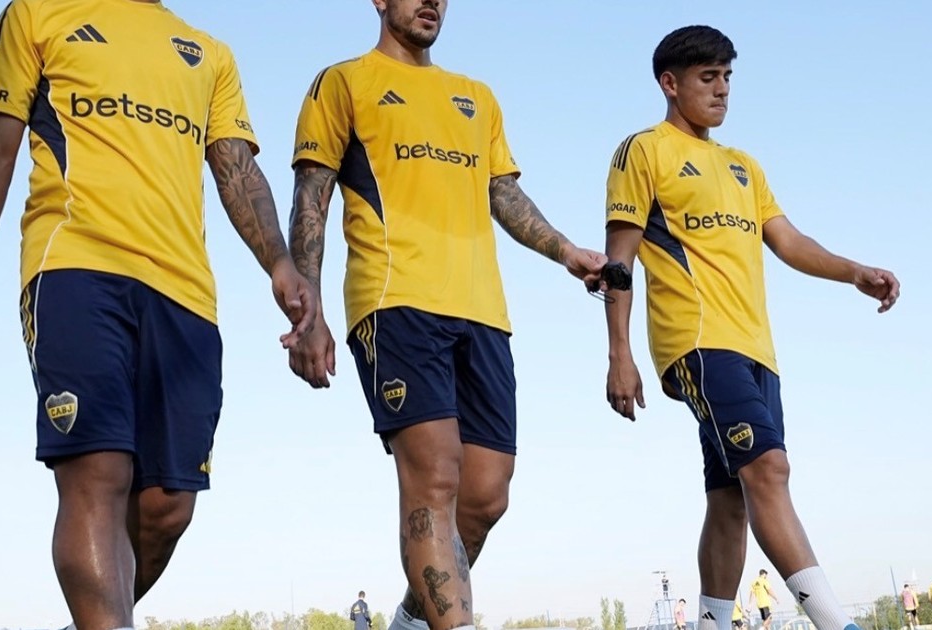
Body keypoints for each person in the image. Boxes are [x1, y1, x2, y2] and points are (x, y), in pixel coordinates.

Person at [0, 2, 314, 629]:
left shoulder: (209, 52)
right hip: (75, 267)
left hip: (185, 293)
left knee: (168, 506)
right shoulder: (38, 14)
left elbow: (237, 168)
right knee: (99, 472)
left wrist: (279, 262)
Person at [286, 1, 607, 629]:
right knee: (435, 478)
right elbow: (310, 197)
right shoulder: (344, 81)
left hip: (482, 309)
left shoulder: (476, 97)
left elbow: (502, 192)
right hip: (395, 300)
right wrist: (309, 309)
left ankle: (409, 622)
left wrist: (566, 250)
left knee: (486, 496)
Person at [599, 24, 899, 630]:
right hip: (696, 342)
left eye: (728, 77)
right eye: (708, 77)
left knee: (730, 496)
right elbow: (618, 261)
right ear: (670, 84)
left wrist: (853, 272)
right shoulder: (644, 151)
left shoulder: (743, 166)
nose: (722, 90)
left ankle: (711, 623)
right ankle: (837, 623)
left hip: (757, 350)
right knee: (769, 469)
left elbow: (788, 241)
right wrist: (619, 354)